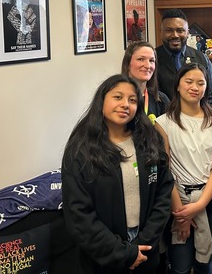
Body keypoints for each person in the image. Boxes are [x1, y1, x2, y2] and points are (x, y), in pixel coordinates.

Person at [61, 74, 173, 274]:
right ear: (102, 100)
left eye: (132, 100)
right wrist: (124, 252)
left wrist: (144, 243)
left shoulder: (149, 138)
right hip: (104, 255)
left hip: (146, 248)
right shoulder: (81, 149)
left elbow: (163, 193)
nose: (125, 105)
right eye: (118, 97)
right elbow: (79, 214)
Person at [155, 63, 212, 274]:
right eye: (189, 82)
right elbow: (164, 170)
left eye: (201, 83)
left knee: (205, 262)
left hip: (210, 200)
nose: (195, 87)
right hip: (177, 200)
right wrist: (181, 214)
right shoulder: (163, 123)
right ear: (177, 86)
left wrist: (200, 205)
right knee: (180, 264)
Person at [155, 9, 212, 108]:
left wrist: (204, 119)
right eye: (169, 30)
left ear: (188, 32)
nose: (174, 35)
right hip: (163, 120)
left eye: (180, 31)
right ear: (161, 32)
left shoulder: (201, 58)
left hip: (199, 120)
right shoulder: (152, 59)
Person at [121, 41, 170, 125]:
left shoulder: (161, 100)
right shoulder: (114, 98)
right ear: (128, 64)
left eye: (151, 60)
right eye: (141, 59)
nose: (148, 66)